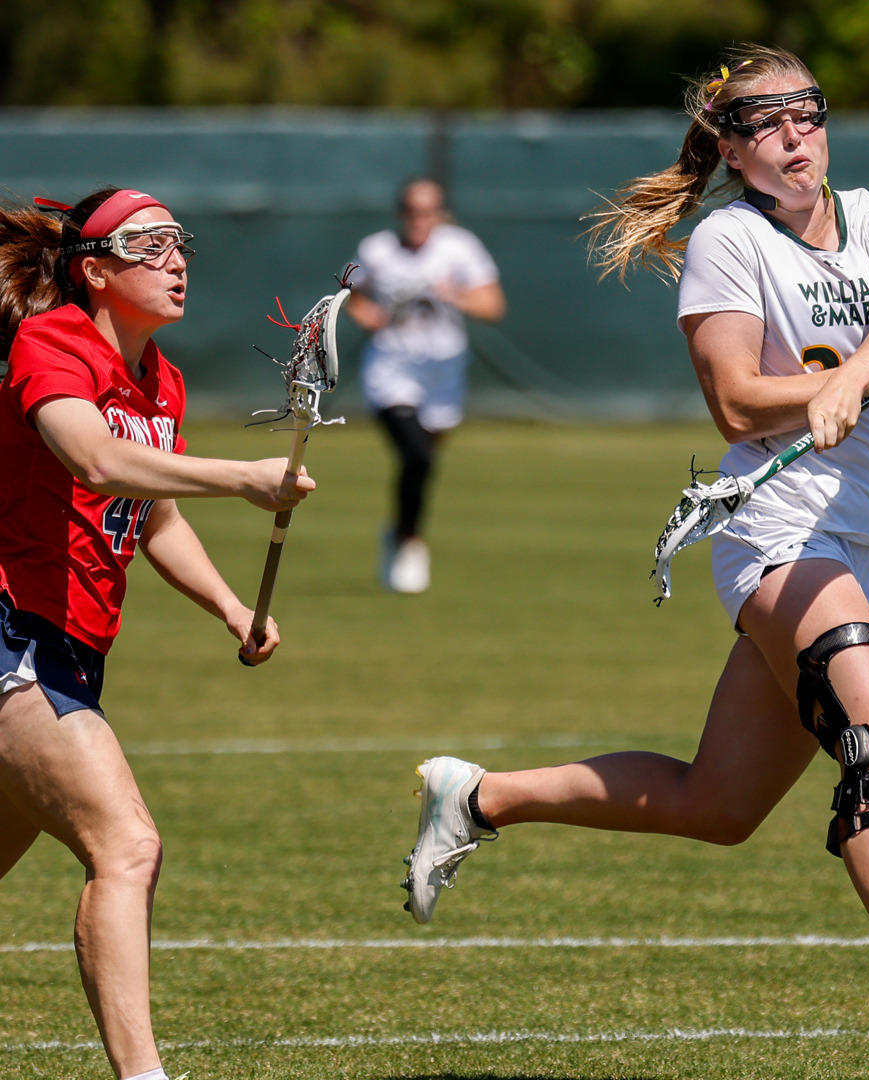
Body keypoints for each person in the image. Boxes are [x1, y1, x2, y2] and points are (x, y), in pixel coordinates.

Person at [399, 46, 869, 1057]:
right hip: (775, 533)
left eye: (808, 114)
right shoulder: (729, 241)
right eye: (767, 122)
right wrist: (860, 375)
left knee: (718, 804)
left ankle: (477, 796)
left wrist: (864, 369)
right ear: (731, 150)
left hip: (855, 540)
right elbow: (735, 396)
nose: (795, 135)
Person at [0, 189, 314, 1080]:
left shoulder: (161, 380)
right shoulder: (50, 343)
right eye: (149, 246)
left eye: (181, 242)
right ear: (94, 271)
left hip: (71, 651)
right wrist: (243, 476)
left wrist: (229, 606)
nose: (176, 260)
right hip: (13, 628)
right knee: (126, 844)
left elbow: (153, 514)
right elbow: (96, 459)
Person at [345, 177, 505, 593]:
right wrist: (370, 317)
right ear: (401, 213)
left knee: (422, 464)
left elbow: (492, 304)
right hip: (392, 370)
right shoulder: (376, 249)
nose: (419, 220)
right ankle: (410, 545)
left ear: (439, 214)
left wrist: (453, 296)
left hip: (442, 373)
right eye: (412, 211)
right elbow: (353, 297)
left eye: (428, 211)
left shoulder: (459, 248)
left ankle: (399, 530)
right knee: (417, 457)